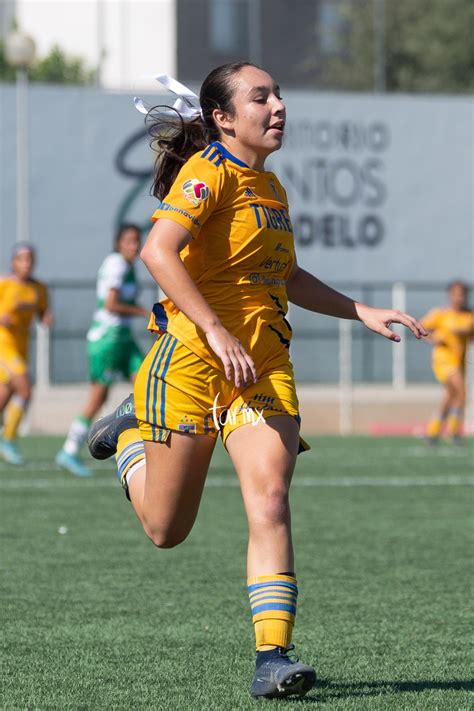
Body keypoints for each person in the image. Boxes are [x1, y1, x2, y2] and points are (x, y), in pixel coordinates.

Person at [87, 63, 427, 698]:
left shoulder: (271, 189)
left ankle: (273, 657)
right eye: (260, 97)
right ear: (223, 117)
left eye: (279, 95)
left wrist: (360, 310)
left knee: (270, 500)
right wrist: (215, 330)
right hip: (188, 363)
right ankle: (132, 439)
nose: (278, 106)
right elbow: (158, 252)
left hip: (261, 368)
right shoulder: (208, 172)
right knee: (166, 530)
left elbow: (287, 277)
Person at [56, 224, 148, 476]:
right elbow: (111, 304)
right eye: (129, 241)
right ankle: (69, 449)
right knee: (97, 398)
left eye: (137, 240)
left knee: (146, 387)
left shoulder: (129, 266)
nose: (135, 246)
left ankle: (122, 443)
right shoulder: (115, 264)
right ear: (118, 243)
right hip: (107, 340)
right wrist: (144, 312)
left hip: (124, 339)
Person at [0, 243, 52, 465]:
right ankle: (8, 439)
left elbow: (42, 312)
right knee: (25, 388)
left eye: (30, 259)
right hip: (4, 344)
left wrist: (46, 317)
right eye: (22, 259)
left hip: (22, 348)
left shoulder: (38, 289)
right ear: (13, 262)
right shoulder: (4, 284)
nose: (26, 263)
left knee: (6, 395)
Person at [421, 281, 474, 444]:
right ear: (450, 295)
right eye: (456, 294)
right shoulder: (441, 314)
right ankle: (454, 432)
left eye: (462, 294)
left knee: (451, 395)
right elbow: (421, 329)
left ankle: (433, 432)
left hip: (460, 362)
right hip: (443, 360)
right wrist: (434, 339)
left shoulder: (470, 316)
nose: (460, 297)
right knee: (461, 392)